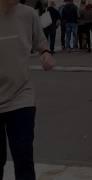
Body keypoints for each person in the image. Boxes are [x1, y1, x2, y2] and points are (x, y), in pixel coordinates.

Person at [0, 0, 55, 179]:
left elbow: (41, 42)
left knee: (23, 157)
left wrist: (46, 54)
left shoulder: (28, 14)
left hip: (21, 96)